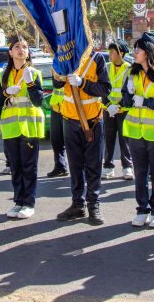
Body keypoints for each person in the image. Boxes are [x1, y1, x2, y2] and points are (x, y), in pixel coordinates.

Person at [119, 32, 154, 228]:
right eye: (135, 49)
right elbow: (126, 103)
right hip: (136, 132)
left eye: (139, 49)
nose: (134, 52)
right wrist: (128, 94)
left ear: (149, 51)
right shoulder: (131, 74)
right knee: (140, 173)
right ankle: (142, 209)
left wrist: (147, 102)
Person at [54, 48, 111, 225]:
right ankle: (77, 204)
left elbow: (105, 88)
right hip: (70, 119)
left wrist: (82, 83)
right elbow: (57, 85)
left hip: (92, 120)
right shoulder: (64, 57)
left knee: (93, 165)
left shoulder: (97, 58)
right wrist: (59, 70)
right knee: (75, 165)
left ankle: (93, 204)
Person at [0, 36, 45, 219]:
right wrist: (6, 92)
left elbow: (39, 101)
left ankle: (28, 203)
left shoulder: (34, 73)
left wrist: (31, 83)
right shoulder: (3, 75)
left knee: (28, 166)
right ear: (10, 52)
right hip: (10, 127)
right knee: (15, 166)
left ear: (28, 52)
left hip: (29, 126)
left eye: (24, 47)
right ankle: (18, 201)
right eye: (16, 46)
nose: (21, 49)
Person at [102, 40, 133, 180]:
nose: (110, 54)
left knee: (124, 140)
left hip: (124, 110)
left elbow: (130, 92)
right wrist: (109, 105)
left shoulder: (130, 69)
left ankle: (127, 167)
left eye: (112, 52)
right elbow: (102, 89)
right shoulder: (106, 67)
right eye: (109, 51)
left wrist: (119, 106)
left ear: (121, 53)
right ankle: (108, 167)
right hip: (108, 110)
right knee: (108, 140)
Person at [46, 69, 69, 178]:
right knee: (55, 140)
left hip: (69, 108)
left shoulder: (71, 63)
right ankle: (60, 166)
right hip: (56, 106)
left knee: (71, 142)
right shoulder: (56, 65)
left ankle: (78, 169)